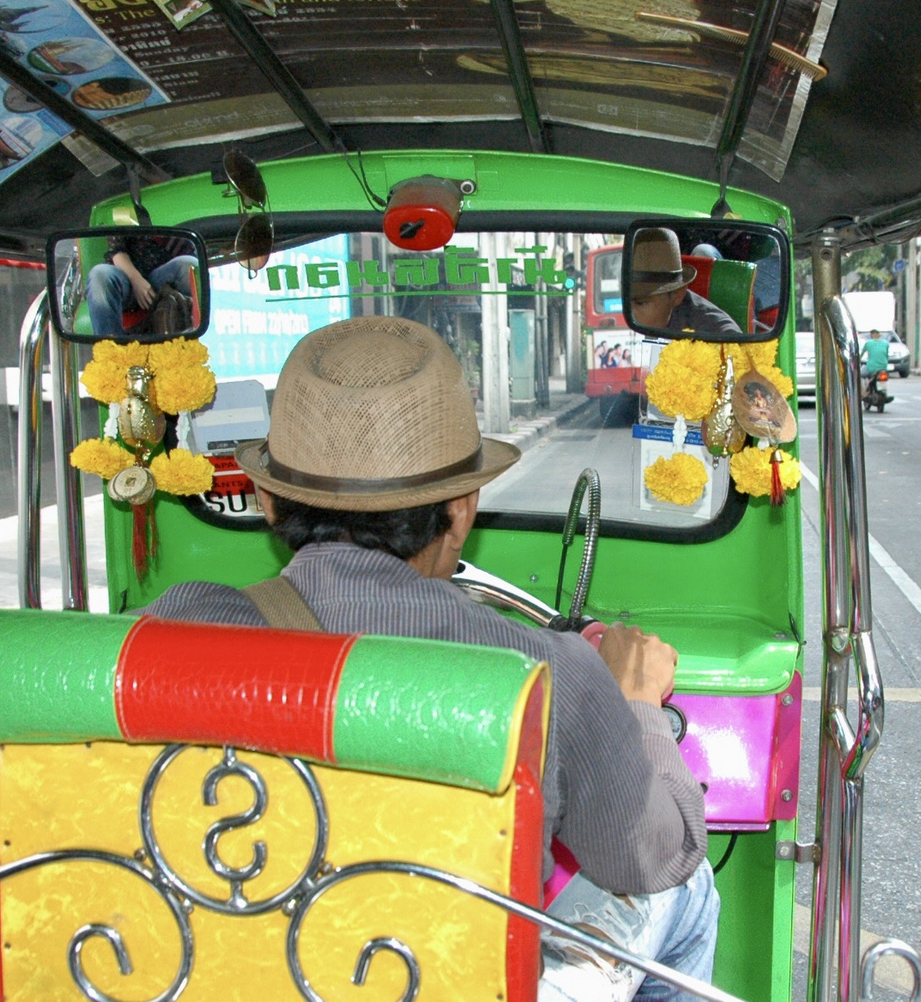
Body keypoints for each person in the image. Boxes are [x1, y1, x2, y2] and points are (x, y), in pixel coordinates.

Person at [143, 317, 716, 1001]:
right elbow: (652, 856)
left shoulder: (175, 628)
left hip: (239, 976)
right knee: (690, 890)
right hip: (450, 981)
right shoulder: (544, 671)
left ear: (267, 499)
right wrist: (640, 705)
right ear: (463, 509)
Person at [628, 228, 739, 336]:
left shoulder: (720, 336)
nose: (626, 314)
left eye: (640, 303)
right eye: (623, 301)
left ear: (677, 294)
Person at [86, 233, 198, 336]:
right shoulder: (127, 213)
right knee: (99, 274)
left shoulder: (176, 221)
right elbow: (117, 252)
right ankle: (110, 350)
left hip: (162, 286)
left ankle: (190, 338)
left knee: (190, 264)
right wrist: (137, 281)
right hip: (125, 280)